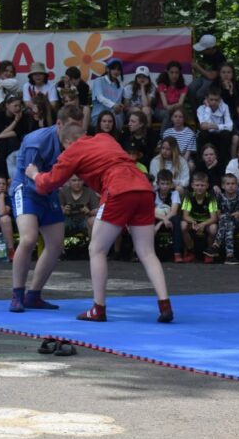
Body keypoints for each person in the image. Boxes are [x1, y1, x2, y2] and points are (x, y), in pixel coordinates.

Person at [28, 125, 173, 323]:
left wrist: (34, 174)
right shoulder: (105, 137)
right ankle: (165, 305)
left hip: (118, 189)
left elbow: (48, 183)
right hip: (144, 188)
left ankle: (98, 308)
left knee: (96, 249)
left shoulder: (72, 151)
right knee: (147, 252)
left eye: (63, 146)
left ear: (67, 142)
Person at [8, 104, 85, 312]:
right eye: (71, 128)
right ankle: (17, 293)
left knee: (56, 244)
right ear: (59, 124)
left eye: (79, 128)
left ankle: (33, 294)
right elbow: (30, 175)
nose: (75, 134)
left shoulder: (77, 142)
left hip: (48, 189)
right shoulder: (37, 142)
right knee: (29, 238)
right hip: (27, 188)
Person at [209, 173, 239, 265]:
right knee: (227, 224)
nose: (231, 186)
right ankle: (230, 256)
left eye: (233, 184)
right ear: (223, 186)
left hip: (236, 224)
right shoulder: (219, 197)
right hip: (224, 224)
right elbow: (218, 215)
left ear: (237, 186)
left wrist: (230, 215)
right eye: (228, 184)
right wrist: (230, 215)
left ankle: (216, 245)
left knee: (227, 220)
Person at [181, 172, 219, 263]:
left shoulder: (211, 197)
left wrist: (203, 224)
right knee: (182, 225)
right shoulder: (188, 196)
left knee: (214, 228)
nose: (199, 187)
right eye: (197, 185)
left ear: (207, 186)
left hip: (206, 222)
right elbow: (185, 216)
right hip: (193, 222)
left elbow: (214, 218)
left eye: (202, 185)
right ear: (192, 186)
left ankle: (209, 253)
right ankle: (190, 251)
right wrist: (194, 222)